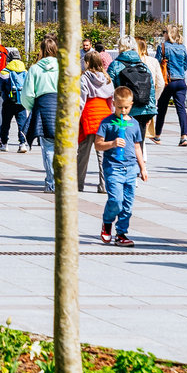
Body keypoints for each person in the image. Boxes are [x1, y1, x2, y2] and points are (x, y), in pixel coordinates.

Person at [95, 84, 148, 246]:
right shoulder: (107, 123)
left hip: (131, 168)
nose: (123, 111)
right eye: (119, 108)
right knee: (116, 200)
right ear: (113, 104)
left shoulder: (134, 124)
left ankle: (121, 233)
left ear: (131, 105)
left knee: (128, 204)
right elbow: (98, 144)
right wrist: (112, 143)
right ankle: (107, 222)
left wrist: (142, 167)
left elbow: (137, 146)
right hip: (113, 167)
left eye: (126, 107)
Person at [22, 36, 61, 191]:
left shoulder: (35, 69)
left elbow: (27, 95)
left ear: (41, 50)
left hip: (44, 109)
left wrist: (34, 108)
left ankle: (51, 182)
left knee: (49, 148)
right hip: (62, 108)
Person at [77, 49, 114, 193]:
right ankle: (104, 186)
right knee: (103, 154)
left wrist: (76, 118)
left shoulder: (84, 78)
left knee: (83, 154)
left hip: (89, 116)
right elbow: (111, 99)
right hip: (104, 116)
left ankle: (78, 184)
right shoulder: (107, 78)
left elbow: (81, 99)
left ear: (87, 63)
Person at [107, 38, 157, 144]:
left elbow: (109, 89)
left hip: (124, 110)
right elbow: (151, 88)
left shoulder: (115, 65)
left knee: (123, 144)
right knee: (138, 145)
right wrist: (150, 110)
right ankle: (139, 161)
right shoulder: (143, 65)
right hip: (144, 110)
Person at [155, 24, 187, 147]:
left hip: (168, 82)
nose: (163, 34)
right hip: (181, 81)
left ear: (168, 34)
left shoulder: (163, 47)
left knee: (162, 108)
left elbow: (157, 63)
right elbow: (185, 66)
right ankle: (184, 137)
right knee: (181, 109)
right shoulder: (182, 47)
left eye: (164, 32)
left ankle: (157, 135)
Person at [0, 54, 30, 153]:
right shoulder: (25, 71)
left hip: (8, 101)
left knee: (5, 123)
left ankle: (4, 144)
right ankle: (22, 144)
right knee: (22, 124)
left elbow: (0, 86)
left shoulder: (4, 72)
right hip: (21, 102)